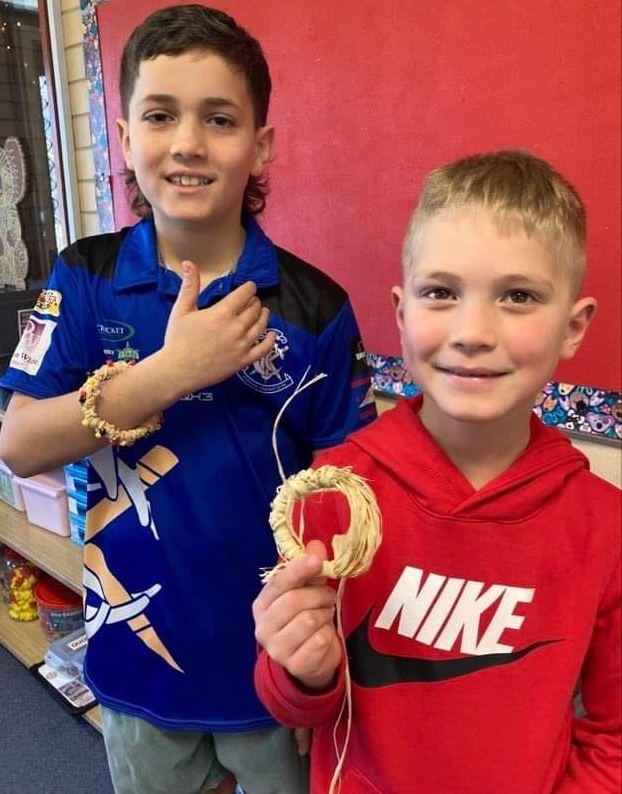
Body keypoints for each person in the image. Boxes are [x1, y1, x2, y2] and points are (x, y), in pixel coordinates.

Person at [0, 4, 375, 794]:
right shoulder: (82, 276)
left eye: (220, 118)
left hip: (273, 671)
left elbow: (353, 493)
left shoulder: (316, 307)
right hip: (140, 666)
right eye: (161, 115)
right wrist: (169, 373)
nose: (189, 143)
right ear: (128, 139)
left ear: (261, 144)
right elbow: (23, 444)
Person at [253, 150, 621, 793]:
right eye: (441, 292)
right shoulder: (337, 492)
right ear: (401, 312)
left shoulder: (603, 527)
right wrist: (300, 670)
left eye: (518, 296)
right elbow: (293, 705)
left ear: (573, 325)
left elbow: (613, 739)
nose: (472, 331)